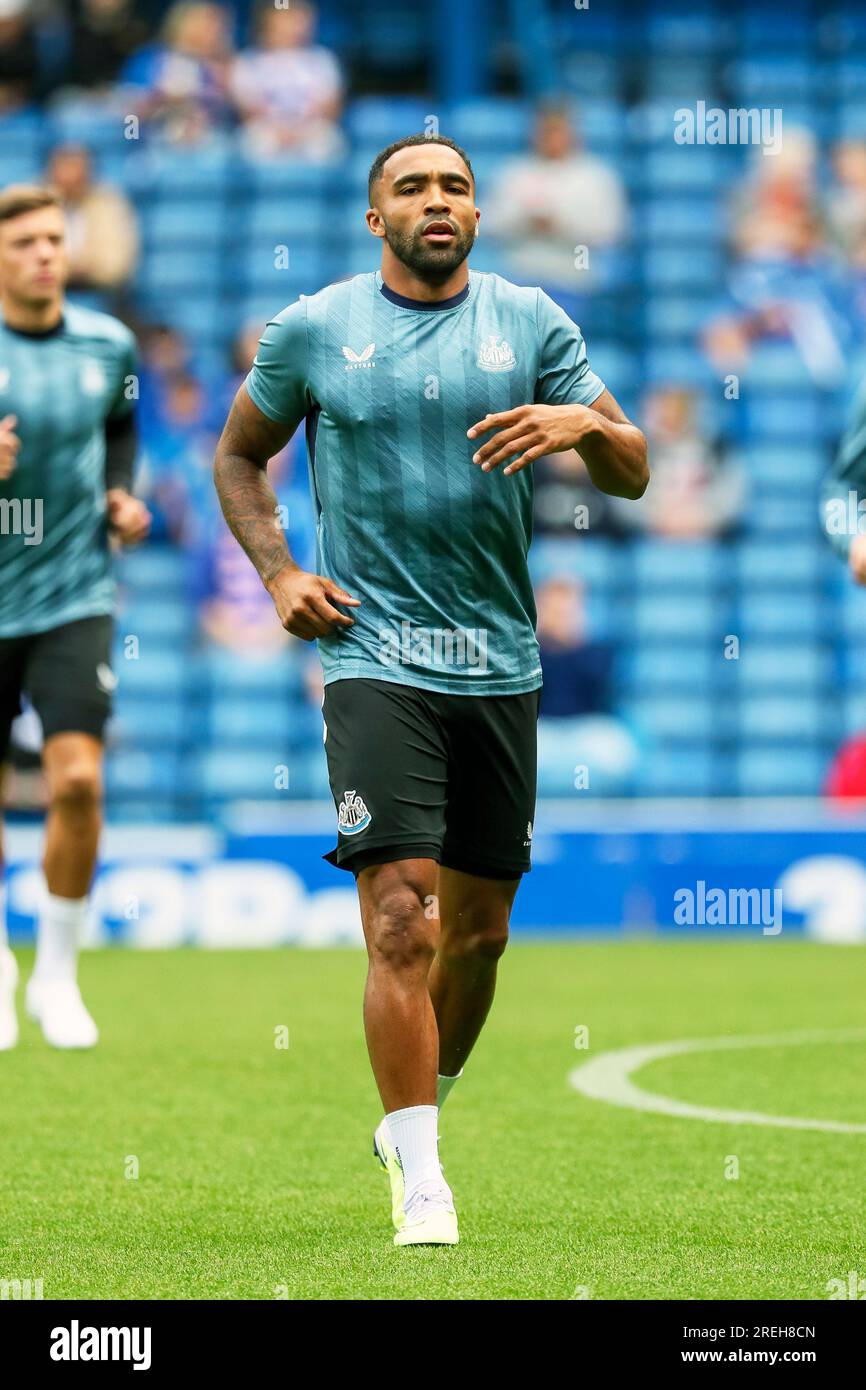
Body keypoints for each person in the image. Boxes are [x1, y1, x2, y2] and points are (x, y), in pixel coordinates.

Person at [213, 133, 648, 1247]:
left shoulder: (532, 321)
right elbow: (237, 457)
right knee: (400, 913)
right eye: (410, 187)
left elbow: (633, 468)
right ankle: (420, 1179)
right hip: (372, 652)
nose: (436, 199)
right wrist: (277, 573)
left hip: (498, 661)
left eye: (454, 184)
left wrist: (586, 425)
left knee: (480, 933)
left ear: (477, 210)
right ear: (377, 221)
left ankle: (421, 1109)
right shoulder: (312, 328)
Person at [0, 185, 150, 1052]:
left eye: (54, 239)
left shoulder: (107, 342)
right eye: (24, 243)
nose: (45, 254)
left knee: (80, 782)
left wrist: (121, 498)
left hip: (72, 591)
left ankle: (56, 972)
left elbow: (122, 431)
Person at [230, 0, 343, 161]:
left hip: (311, 128)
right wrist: (279, 130)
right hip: (266, 128)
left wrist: (299, 130)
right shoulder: (248, 61)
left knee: (326, 142)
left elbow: (330, 106)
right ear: (267, 22)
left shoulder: (322, 59)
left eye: (299, 19)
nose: (295, 26)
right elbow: (247, 108)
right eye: (286, 18)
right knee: (254, 142)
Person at [46, 144, 140, 294]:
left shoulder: (109, 203)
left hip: (99, 292)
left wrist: (82, 269)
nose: (71, 178)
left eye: (77, 172)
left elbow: (117, 263)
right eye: (65, 170)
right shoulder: (35, 203)